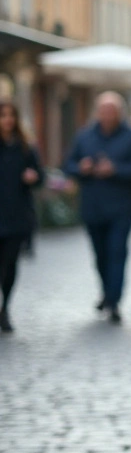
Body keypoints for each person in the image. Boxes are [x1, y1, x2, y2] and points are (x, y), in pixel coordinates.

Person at [64, 92, 131, 323]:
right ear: (98, 113)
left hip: (121, 207)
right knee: (100, 254)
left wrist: (115, 170)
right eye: (104, 111)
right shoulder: (85, 136)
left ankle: (114, 299)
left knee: (117, 251)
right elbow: (68, 164)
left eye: (112, 111)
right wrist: (82, 168)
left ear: (120, 114)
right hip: (93, 206)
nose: (108, 115)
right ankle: (107, 291)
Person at [0, 101, 43, 333]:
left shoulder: (26, 148)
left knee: (9, 264)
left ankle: (5, 307)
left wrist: (33, 177)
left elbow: (41, 177)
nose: (7, 120)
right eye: (3, 115)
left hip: (17, 216)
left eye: (11, 115)